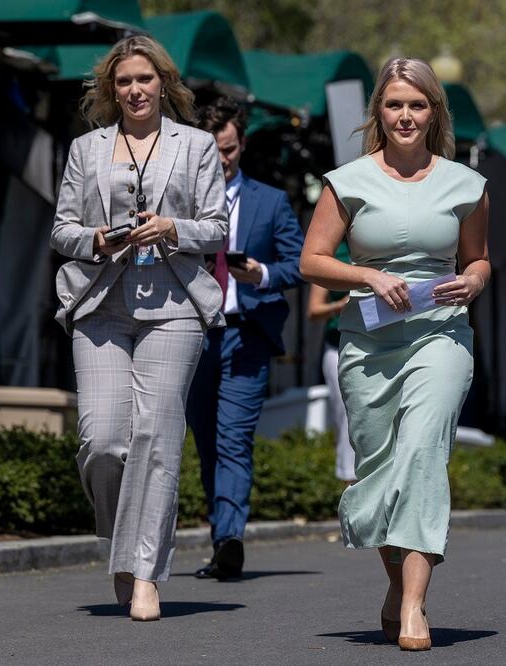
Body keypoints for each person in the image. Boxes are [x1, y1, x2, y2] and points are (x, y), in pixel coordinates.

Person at [300, 57, 490, 651]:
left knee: (421, 454)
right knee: (380, 470)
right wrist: (367, 276)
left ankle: (412, 606)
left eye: (417, 105)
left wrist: (474, 280)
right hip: (369, 342)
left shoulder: (466, 183)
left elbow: (478, 258)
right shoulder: (347, 180)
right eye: (394, 104)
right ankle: (397, 586)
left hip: (441, 335)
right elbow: (311, 261)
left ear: (434, 112)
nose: (406, 116)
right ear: (378, 112)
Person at [50, 35, 228, 621]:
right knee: (102, 440)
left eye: (144, 79)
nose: (134, 90)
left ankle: (143, 571)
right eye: (123, 81)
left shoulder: (196, 145)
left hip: (174, 305)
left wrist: (172, 228)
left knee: (156, 436)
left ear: (163, 83)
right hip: (101, 303)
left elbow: (216, 228)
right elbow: (62, 230)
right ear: (112, 88)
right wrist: (97, 239)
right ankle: (121, 540)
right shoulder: (87, 148)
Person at [185, 96, 305, 581]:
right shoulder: (182, 200)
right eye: (213, 151)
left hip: (246, 334)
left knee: (233, 438)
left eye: (229, 150)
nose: (222, 160)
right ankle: (222, 535)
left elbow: (301, 263)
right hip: (192, 335)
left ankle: (230, 539)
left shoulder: (269, 201)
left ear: (242, 145)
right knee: (207, 441)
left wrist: (263, 274)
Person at [305, 240, 355, 484]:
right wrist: (340, 306)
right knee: (349, 417)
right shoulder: (333, 251)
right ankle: (350, 484)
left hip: (385, 343)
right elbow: (313, 309)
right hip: (340, 346)